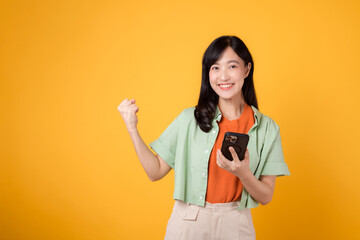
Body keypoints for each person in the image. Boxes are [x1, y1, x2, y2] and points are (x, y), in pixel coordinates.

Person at [117, 35, 290, 240]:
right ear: (207, 73)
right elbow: (155, 171)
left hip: (236, 223)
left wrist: (244, 174)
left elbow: (266, 196)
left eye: (232, 66)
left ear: (246, 69)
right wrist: (132, 128)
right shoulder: (189, 119)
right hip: (189, 221)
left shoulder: (267, 128)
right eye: (215, 68)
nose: (223, 76)